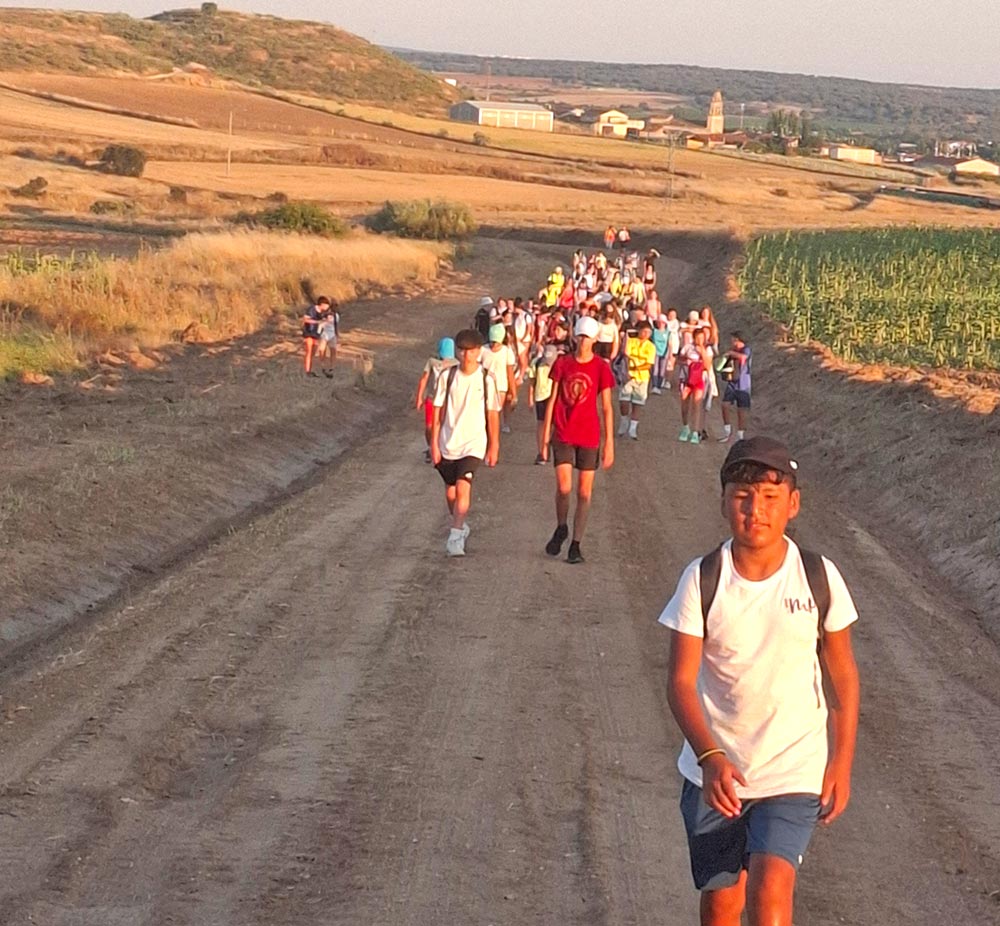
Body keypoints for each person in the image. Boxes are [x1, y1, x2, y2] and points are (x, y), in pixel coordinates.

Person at [658, 437, 860, 926]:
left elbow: (843, 677)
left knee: (771, 893)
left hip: (793, 768)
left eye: (771, 498)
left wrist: (841, 761)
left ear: (793, 504)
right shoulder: (703, 579)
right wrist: (710, 758)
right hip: (716, 774)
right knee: (724, 900)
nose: (756, 510)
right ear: (724, 501)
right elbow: (680, 683)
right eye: (743, 496)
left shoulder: (818, 577)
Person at [542, 315, 615, 564]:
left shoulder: (601, 368)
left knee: (584, 493)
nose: (583, 341)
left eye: (587, 337)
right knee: (564, 488)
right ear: (575, 337)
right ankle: (562, 526)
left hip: (589, 435)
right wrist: (545, 436)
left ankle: (576, 543)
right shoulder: (563, 364)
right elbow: (552, 399)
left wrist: (610, 444)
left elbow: (606, 407)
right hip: (563, 432)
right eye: (580, 336)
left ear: (595, 340)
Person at [431, 329, 502, 557]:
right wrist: (433, 443)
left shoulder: (487, 378)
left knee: (464, 485)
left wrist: (494, 445)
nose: (466, 355)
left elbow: (492, 414)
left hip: (474, 443)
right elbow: (437, 411)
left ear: (479, 351)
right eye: (462, 350)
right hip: (448, 441)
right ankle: (460, 524)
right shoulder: (446, 376)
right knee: (451, 492)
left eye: (471, 351)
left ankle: (455, 536)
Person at [415, 337, 458, 463]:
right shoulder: (432, 362)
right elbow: (424, 379)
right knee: (430, 425)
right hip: (432, 398)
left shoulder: (456, 364)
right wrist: (420, 397)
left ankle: (441, 448)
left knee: (442, 425)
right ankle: (431, 448)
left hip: (447, 400)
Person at [617, 319, 656, 440]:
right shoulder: (631, 342)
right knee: (624, 401)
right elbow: (625, 355)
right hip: (628, 376)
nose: (646, 334)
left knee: (637, 403)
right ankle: (624, 421)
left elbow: (649, 364)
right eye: (644, 331)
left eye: (648, 332)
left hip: (642, 378)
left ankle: (633, 429)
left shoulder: (651, 346)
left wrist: (636, 366)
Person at [480, 323, 517, 434]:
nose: (493, 345)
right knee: (487, 408)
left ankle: (498, 427)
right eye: (491, 342)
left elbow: (510, 373)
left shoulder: (506, 352)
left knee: (496, 409)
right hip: (485, 384)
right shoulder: (483, 350)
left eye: (495, 342)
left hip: (501, 384)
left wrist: (513, 392)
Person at [678, 325, 712, 444]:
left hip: (699, 379)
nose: (699, 340)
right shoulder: (688, 347)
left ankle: (695, 431)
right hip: (687, 377)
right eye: (698, 338)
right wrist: (686, 361)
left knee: (697, 404)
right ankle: (685, 426)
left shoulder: (707, 349)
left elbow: (708, 366)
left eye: (702, 338)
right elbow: (680, 359)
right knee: (684, 401)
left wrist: (702, 351)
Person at [527, 343, 558, 465]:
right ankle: (541, 451)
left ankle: (549, 447)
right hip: (540, 396)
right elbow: (532, 382)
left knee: (553, 425)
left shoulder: (559, 364)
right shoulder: (536, 363)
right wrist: (530, 397)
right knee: (541, 424)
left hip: (554, 397)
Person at [719, 332, 752, 443]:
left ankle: (740, 435)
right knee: (725, 404)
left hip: (743, 384)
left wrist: (731, 353)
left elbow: (743, 358)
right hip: (732, 382)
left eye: (733, 340)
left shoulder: (746, 350)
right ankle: (727, 430)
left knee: (741, 410)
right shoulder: (734, 351)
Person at [301, 295, 332, 376]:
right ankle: (307, 371)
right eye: (326, 305)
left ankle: (309, 369)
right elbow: (305, 319)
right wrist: (317, 322)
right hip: (309, 332)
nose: (327, 307)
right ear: (321, 304)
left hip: (316, 333)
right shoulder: (311, 309)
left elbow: (328, 319)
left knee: (312, 352)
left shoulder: (324, 312)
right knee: (309, 350)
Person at [315, 298, 341, 378]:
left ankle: (329, 367)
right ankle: (326, 367)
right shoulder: (325, 315)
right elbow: (321, 324)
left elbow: (335, 325)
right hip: (326, 334)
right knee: (324, 351)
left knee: (329, 351)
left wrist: (337, 335)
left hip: (330, 334)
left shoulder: (335, 316)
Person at [651, 314, 670, 395]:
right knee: (655, 369)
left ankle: (659, 386)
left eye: (662, 322)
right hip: (655, 352)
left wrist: (669, 354)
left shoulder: (668, 332)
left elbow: (670, 344)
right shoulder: (654, 331)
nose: (660, 324)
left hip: (664, 353)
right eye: (659, 322)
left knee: (662, 371)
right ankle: (654, 386)